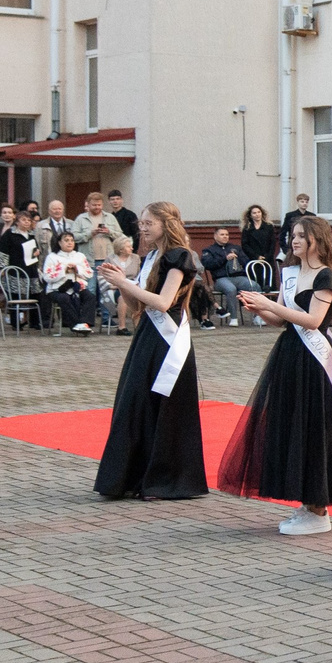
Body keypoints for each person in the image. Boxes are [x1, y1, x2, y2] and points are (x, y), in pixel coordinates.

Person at [219, 215, 332, 535]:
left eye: (300, 236)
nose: (293, 241)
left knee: (312, 427)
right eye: (292, 235)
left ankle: (318, 508)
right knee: (290, 424)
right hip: (289, 355)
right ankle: (306, 504)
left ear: (317, 240)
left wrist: (271, 305)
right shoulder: (290, 272)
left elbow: (312, 320)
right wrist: (259, 309)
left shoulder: (327, 277)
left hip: (315, 363)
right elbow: (281, 319)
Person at [92, 202, 208, 500]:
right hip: (147, 337)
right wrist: (120, 285)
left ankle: (165, 480)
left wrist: (125, 282)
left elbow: (164, 302)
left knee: (162, 409)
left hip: (168, 344)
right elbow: (139, 307)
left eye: (148, 223)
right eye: (141, 223)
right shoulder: (151, 256)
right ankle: (133, 477)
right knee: (135, 405)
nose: (142, 228)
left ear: (166, 224)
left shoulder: (179, 256)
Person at [42, 231, 95, 332]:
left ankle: (84, 323)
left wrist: (77, 270)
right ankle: (75, 324)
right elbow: (47, 277)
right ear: (59, 243)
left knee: (90, 296)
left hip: (76, 287)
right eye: (66, 240)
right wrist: (63, 271)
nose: (69, 243)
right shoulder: (52, 257)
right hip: (57, 289)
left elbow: (89, 273)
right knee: (64, 298)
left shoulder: (79, 256)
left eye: (71, 240)